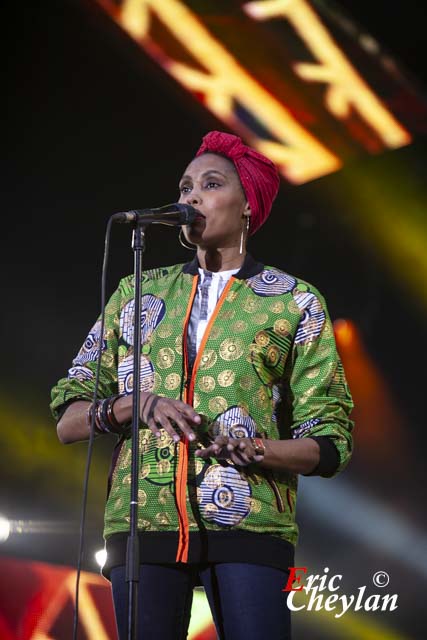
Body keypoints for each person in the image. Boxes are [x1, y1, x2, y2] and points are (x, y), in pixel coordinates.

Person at [51, 131, 354, 640]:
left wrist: (258, 449)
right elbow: (68, 421)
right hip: (142, 524)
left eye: (210, 185)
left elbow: (330, 441)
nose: (190, 196)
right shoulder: (136, 291)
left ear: (247, 208)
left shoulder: (293, 301)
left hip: (250, 525)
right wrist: (134, 405)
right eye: (185, 185)